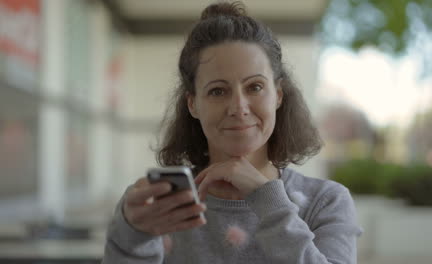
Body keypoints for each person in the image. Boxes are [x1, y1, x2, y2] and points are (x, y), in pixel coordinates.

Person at [102, 1, 362, 263]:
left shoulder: (325, 202)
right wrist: (131, 235)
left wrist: (267, 199)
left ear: (278, 95)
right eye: (218, 91)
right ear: (193, 104)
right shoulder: (158, 205)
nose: (239, 107)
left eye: (255, 87)